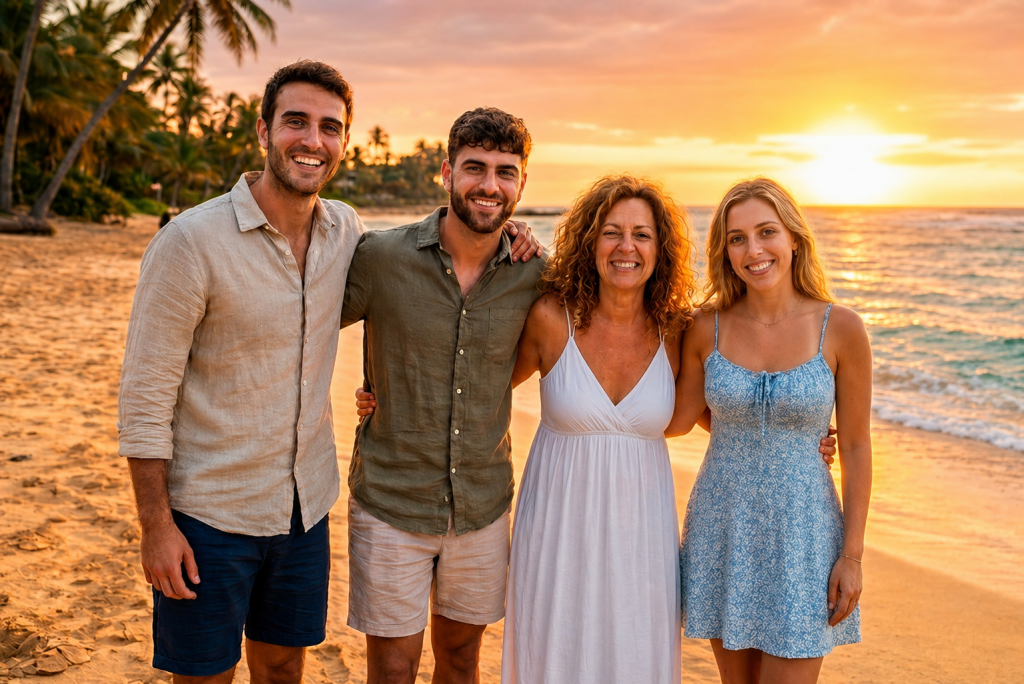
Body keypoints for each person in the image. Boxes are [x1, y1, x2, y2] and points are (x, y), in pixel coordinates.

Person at [119, 61, 540, 682]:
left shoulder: (345, 233)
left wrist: (388, 387)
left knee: (285, 667)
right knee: (204, 674)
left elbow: (399, 314)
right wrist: (155, 524)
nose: (312, 140)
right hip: (210, 508)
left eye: (329, 127)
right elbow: (145, 395)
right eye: (296, 122)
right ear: (263, 129)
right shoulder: (192, 241)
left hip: (303, 509)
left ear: (344, 141)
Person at [341, 107, 546, 684]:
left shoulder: (535, 274)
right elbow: (303, 323)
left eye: (506, 172)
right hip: (390, 498)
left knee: (460, 661)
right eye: (474, 168)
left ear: (522, 182)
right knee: (393, 667)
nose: (489, 185)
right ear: (446, 172)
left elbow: (579, 343)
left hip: (482, 505)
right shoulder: (382, 257)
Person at [670, 177, 872, 684]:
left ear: (794, 238)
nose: (753, 250)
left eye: (766, 232)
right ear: (725, 251)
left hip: (804, 535)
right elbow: (678, 417)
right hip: (723, 526)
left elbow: (854, 445)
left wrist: (852, 555)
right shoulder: (704, 326)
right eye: (737, 238)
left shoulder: (841, 327)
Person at [500, 175, 696, 683]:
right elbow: (484, 388)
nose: (626, 247)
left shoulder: (677, 329)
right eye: (612, 232)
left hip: (643, 531)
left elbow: (727, 415)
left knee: (635, 652)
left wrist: (810, 435)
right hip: (557, 524)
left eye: (642, 234)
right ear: (589, 241)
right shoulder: (549, 317)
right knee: (553, 651)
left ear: (661, 249)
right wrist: (380, 395)